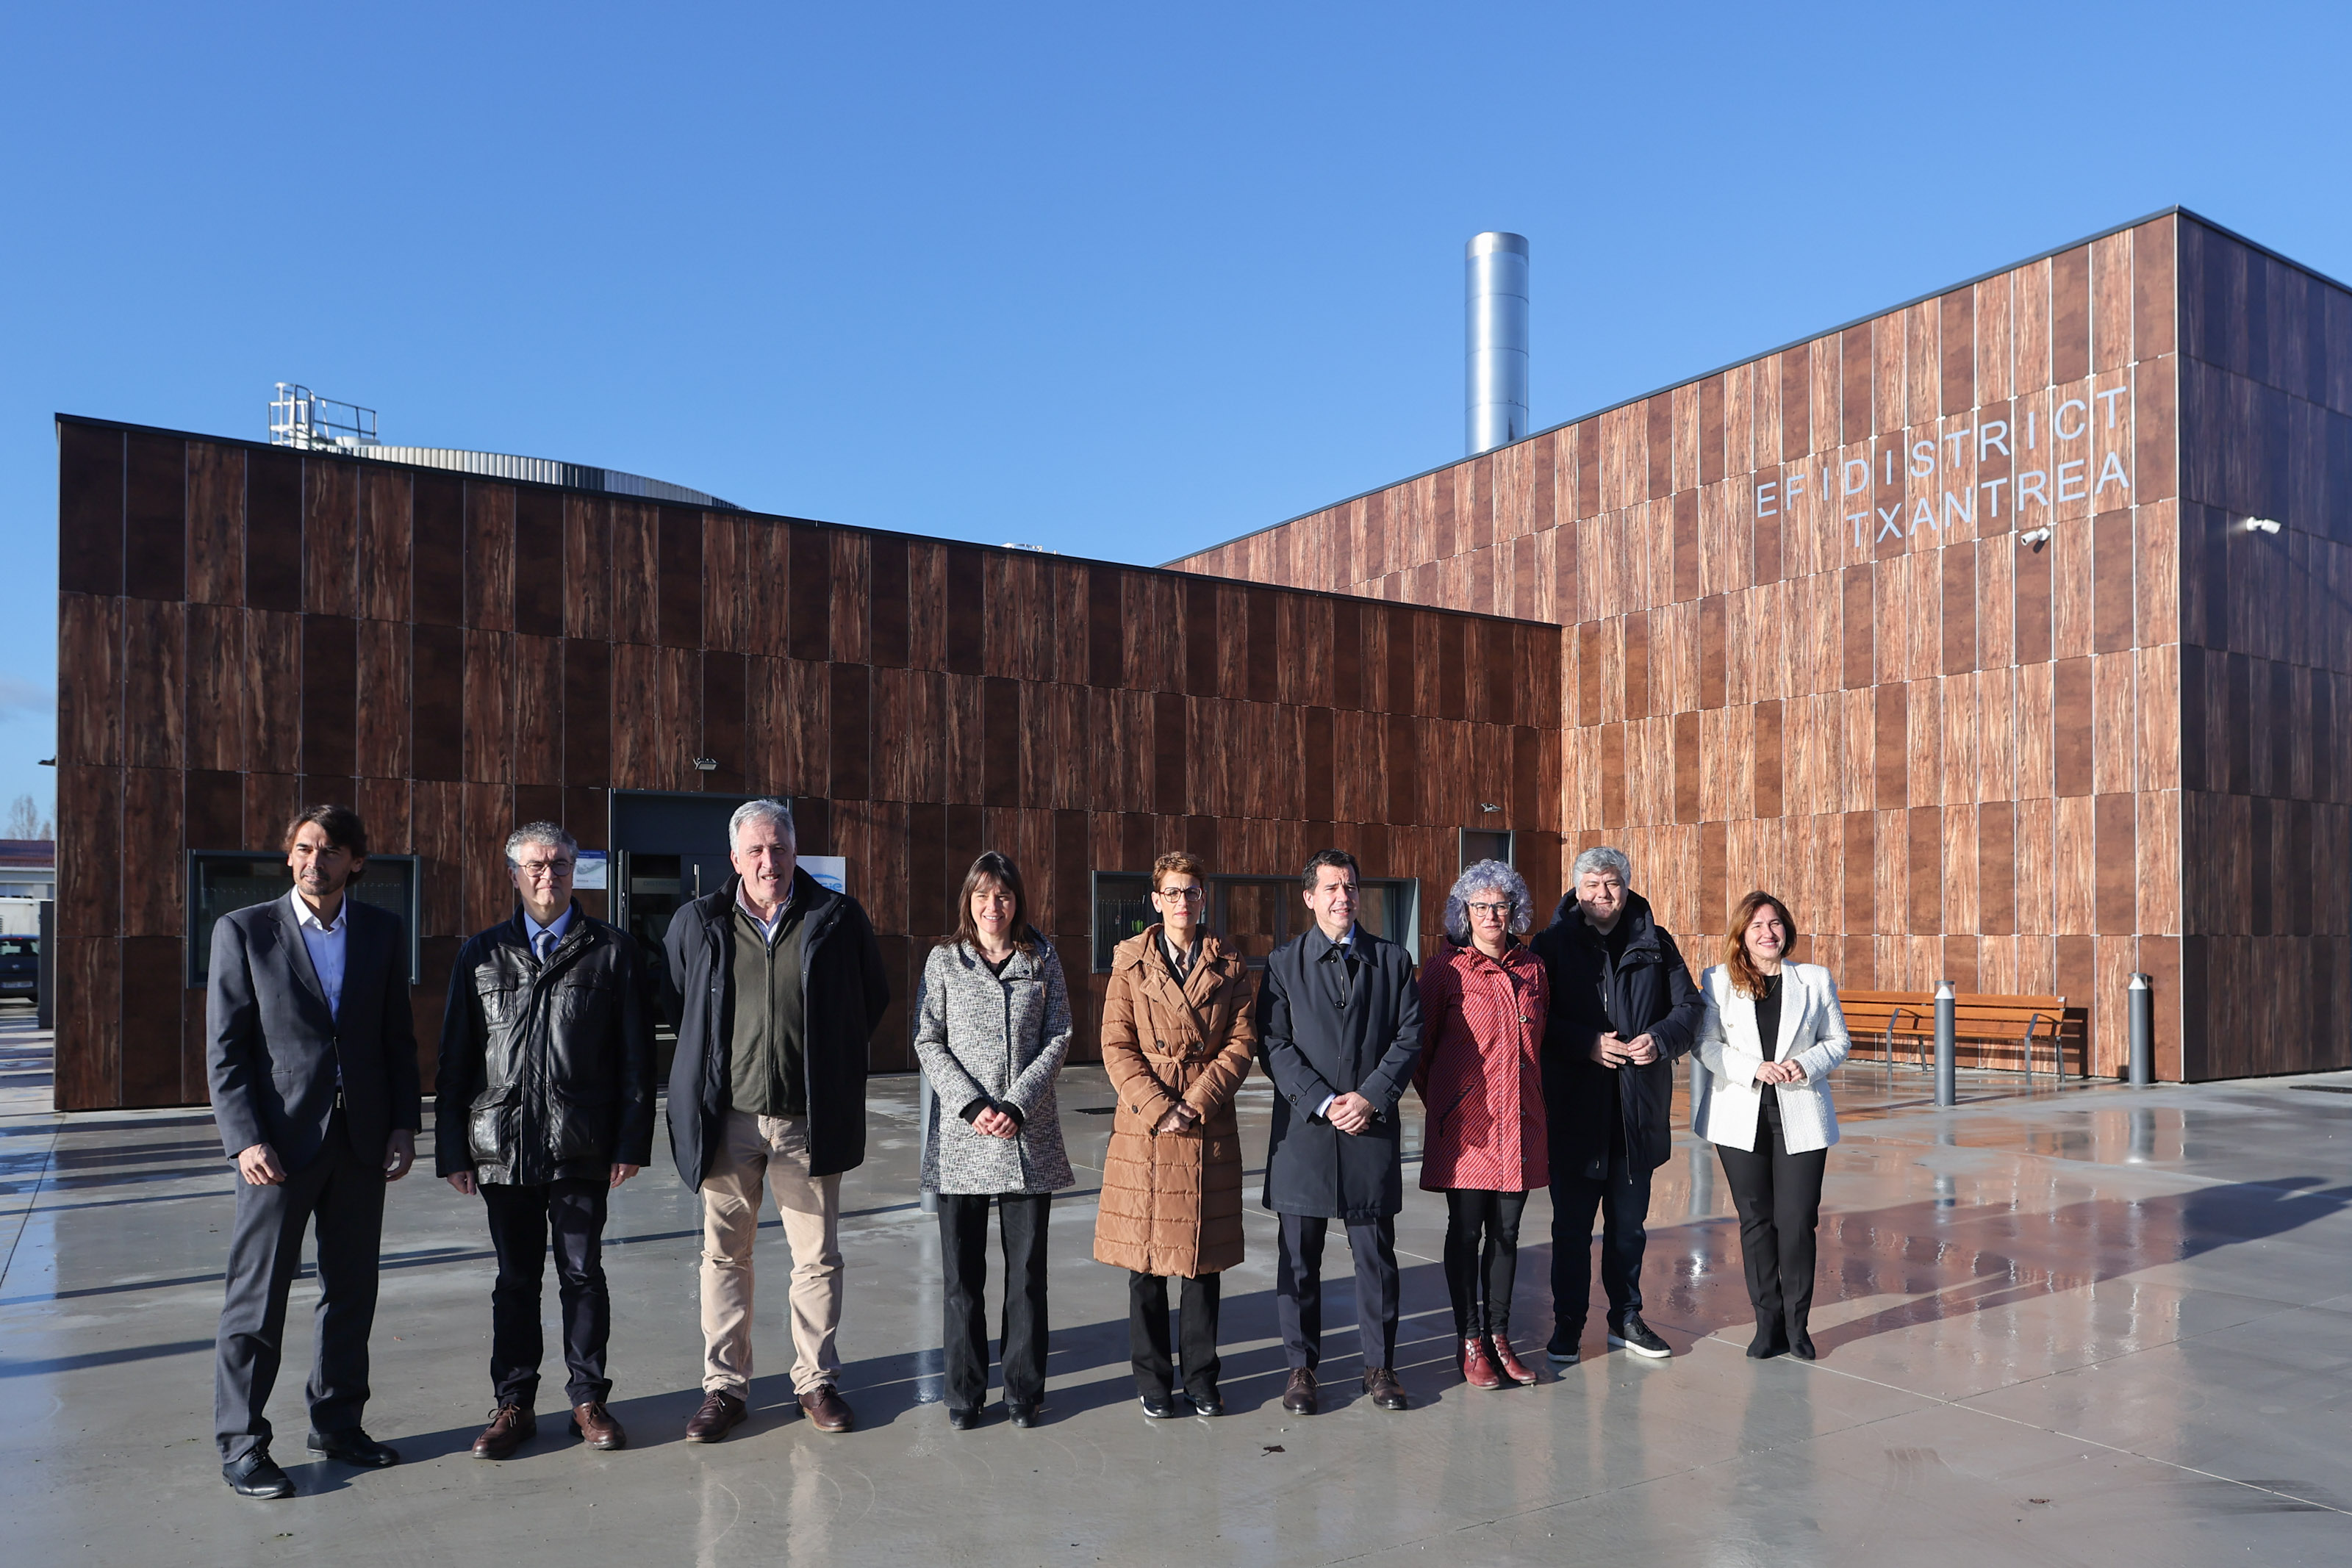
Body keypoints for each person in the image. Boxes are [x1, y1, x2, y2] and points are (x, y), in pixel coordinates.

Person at [662, 798, 890, 1442]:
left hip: (805, 1121)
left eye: (780, 849)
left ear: (796, 854)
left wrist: (826, 1065)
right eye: (756, 851)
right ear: (734, 859)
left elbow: (869, 997)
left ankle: (815, 1382)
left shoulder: (837, 917)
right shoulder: (698, 921)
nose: (770, 862)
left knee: (816, 1259)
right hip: (727, 1119)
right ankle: (724, 1390)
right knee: (723, 1257)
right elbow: (680, 1002)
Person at [207, 805, 418, 1499]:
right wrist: (244, 1140)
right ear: (289, 857)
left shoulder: (383, 932)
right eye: (303, 848)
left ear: (356, 860)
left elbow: (396, 1040)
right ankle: (242, 1442)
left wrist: (401, 1125)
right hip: (277, 1148)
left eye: (329, 850)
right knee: (257, 1299)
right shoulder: (244, 931)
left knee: (351, 1291)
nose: (313, 861)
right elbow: (227, 1052)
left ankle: (336, 1422)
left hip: (359, 1143)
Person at [435, 822, 655, 1459]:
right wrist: (453, 1147)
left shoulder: (611, 951)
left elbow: (636, 1059)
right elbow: (455, 1059)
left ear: (575, 871)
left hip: (580, 1141)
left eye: (560, 864)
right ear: (513, 874)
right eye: (534, 865)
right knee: (515, 1280)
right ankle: (514, 1404)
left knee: (583, 1273)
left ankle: (588, 1399)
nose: (547, 875)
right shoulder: (480, 954)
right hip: (502, 1145)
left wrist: (629, 1141)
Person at [1092, 851, 1258, 1419]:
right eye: (1172, 892)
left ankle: (1202, 1375)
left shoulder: (1230, 961)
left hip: (1206, 1120)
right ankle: (1152, 1379)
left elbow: (1241, 1043)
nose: (1182, 901)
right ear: (1156, 900)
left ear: (1203, 898)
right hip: (1146, 1127)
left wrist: (1196, 1102)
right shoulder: (1130, 962)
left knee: (1201, 1259)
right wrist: (1161, 1107)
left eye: (1192, 891)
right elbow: (1115, 1045)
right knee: (1145, 1263)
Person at [1258, 849, 1423, 1416]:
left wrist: (1370, 1097)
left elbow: (1409, 1037)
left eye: (1350, 887)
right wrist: (1324, 1101)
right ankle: (1301, 1370)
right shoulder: (1282, 965)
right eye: (1330, 888)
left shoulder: (1394, 962)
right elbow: (1273, 1046)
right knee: (1299, 1261)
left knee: (1375, 1258)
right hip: (1305, 1136)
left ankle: (1380, 1367)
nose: (1342, 897)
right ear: (1310, 897)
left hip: (1368, 1131)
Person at [914, 851, 1075, 1430]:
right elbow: (928, 1039)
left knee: (1027, 1276)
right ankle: (964, 1392)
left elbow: (1060, 1033)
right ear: (969, 901)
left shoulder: (1042, 959)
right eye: (982, 895)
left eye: (1003, 895)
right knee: (962, 1279)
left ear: (1017, 902)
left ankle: (1024, 1393)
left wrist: (1016, 1104)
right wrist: (975, 1104)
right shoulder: (944, 962)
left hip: (1026, 1141)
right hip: (964, 1141)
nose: (993, 906)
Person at [1531, 846, 1702, 1364]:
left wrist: (1662, 1039)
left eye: (1612, 883)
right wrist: (1583, 1042)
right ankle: (1567, 1325)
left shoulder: (1656, 942)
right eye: (1592, 884)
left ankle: (1626, 1318)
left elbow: (1690, 1007)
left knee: (1628, 1228)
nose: (1603, 894)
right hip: (1575, 1114)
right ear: (1576, 889)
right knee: (1571, 1230)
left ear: (1626, 887)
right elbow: (1533, 1019)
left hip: (1636, 1114)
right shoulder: (1552, 944)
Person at [1693, 891, 1851, 1360]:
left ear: (1787, 930)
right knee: (1756, 1222)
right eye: (1757, 925)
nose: (1768, 932)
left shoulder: (1814, 979)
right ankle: (1768, 1325)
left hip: (1800, 1113)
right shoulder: (1718, 981)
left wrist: (1806, 1063)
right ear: (1741, 934)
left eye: (1776, 923)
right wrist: (1753, 1069)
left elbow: (1838, 1040)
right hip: (1741, 1115)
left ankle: (1798, 1325)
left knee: (1797, 1221)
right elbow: (1705, 1043)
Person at [1414, 859, 1548, 1390]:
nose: (1491, 915)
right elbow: (1419, 1051)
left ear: (1514, 911)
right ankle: (1469, 1339)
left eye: (1500, 905)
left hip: (1522, 1126)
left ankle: (1499, 1336)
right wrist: (1448, 1104)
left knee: (1508, 1234)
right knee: (1467, 1232)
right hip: (1468, 1130)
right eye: (1480, 906)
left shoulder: (1534, 970)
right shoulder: (1445, 970)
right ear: (1462, 913)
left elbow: (1542, 1047)